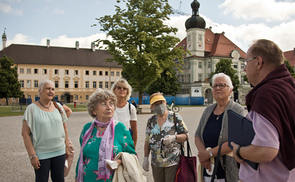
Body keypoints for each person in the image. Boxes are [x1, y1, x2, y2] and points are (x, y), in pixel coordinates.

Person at [231, 39, 295, 181]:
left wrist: (239, 152)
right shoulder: (289, 87)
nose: (245, 68)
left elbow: (266, 150)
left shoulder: (267, 94)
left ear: (258, 62)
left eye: (246, 62)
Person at [195, 73, 248, 182]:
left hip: (228, 171)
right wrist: (203, 156)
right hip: (208, 169)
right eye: (215, 86)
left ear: (230, 90)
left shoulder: (238, 111)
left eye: (222, 85)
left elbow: (235, 140)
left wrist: (209, 154)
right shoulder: (208, 110)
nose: (218, 88)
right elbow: (197, 136)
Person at [75, 89, 137, 182]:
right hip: (87, 178)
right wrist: (77, 176)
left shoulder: (120, 128)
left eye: (111, 103)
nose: (109, 107)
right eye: (104, 104)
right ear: (94, 110)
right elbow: (82, 155)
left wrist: (119, 162)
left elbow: (132, 154)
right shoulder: (87, 129)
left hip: (113, 179)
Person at [21, 79, 70, 181]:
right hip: (42, 153)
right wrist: (32, 155)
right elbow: (25, 134)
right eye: (47, 88)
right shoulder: (31, 109)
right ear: (40, 91)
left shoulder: (58, 107)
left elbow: (64, 128)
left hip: (59, 151)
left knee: (59, 179)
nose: (51, 91)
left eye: (53, 89)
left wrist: (67, 146)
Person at [142, 92, 189, 182]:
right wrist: (145, 158)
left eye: (161, 103)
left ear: (166, 103)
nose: (159, 106)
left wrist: (174, 138)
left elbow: (186, 136)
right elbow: (147, 141)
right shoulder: (151, 120)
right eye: (156, 104)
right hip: (156, 162)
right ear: (152, 107)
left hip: (173, 161)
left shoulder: (175, 117)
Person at [111, 78, 138, 149]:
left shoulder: (131, 108)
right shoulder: (109, 106)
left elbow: (134, 130)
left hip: (125, 142)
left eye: (124, 88)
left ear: (127, 92)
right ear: (114, 90)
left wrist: (133, 147)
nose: (121, 89)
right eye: (119, 87)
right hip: (111, 140)